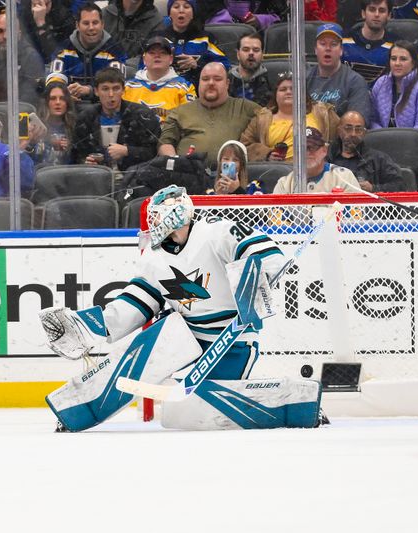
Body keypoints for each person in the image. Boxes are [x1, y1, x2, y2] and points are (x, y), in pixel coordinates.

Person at [38, 185, 324, 432]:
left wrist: (261, 274)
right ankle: (77, 408)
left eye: (157, 213)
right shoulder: (154, 257)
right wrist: (89, 327)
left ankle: (297, 401)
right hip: (184, 336)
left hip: (232, 341)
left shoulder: (216, 232)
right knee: (141, 355)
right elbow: (135, 303)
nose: (152, 220)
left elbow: (265, 253)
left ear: (175, 213)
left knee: (181, 414)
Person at [158, 62, 260, 167]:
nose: (211, 83)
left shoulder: (247, 108)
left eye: (217, 79)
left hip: (232, 176)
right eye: (205, 79)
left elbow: (273, 123)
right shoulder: (180, 112)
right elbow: (165, 142)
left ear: (227, 83)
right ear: (199, 82)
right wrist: (176, 163)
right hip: (189, 175)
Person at [71, 67, 161, 171]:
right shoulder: (85, 118)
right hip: (95, 178)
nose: (111, 94)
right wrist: (85, 162)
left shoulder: (143, 116)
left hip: (134, 177)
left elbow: (155, 152)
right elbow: (76, 153)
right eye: (105, 89)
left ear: (123, 90)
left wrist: (127, 151)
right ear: (96, 91)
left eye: (116, 88)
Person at [240, 71, 339, 162]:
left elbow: (343, 133)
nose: (288, 92)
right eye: (283, 89)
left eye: (293, 89)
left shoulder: (322, 112)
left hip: (315, 168)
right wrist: (266, 154)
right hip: (277, 171)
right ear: (275, 95)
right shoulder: (261, 118)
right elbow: (244, 147)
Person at [49, 2, 128, 102]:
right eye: (86, 23)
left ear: (102, 24)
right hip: (69, 106)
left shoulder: (115, 50)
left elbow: (116, 87)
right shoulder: (63, 49)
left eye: (95, 23)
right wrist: (64, 93)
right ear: (77, 25)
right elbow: (54, 79)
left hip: (102, 106)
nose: (91, 28)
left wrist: (89, 90)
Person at [0, 12, 45, 106]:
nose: (5, 37)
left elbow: (30, 99)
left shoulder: (31, 58)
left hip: (21, 116)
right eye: (0, 31)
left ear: (19, 35)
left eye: (10, 32)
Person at [306, 23, 372, 124]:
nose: (328, 48)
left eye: (333, 44)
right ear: (315, 49)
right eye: (323, 44)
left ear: (341, 50)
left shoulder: (355, 82)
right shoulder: (303, 79)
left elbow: (357, 125)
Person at [327, 110, 407, 192]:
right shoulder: (325, 157)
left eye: (358, 129)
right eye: (348, 128)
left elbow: (399, 185)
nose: (353, 134)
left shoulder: (378, 159)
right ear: (339, 131)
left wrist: (374, 188)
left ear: (364, 133)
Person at [157, 0, 231, 87]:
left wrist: (198, 65)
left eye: (186, 7)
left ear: (193, 14)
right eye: (176, 7)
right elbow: (143, 66)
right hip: (162, 92)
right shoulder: (158, 38)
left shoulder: (205, 39)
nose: (181, 10)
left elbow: (224, 65)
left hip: (198, 93)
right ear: (169, 13)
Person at [123, 35, 196, 122]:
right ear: (144, 59)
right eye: (152, 52)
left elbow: (191, 122)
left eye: (163, 53)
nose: (157, 56)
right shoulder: (127, 88)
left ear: (171, 59)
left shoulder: (185, 88)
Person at [273, 126, 360, 194]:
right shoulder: (284, 184)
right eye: (301, 148)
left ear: (324, 150)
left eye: (312, 147)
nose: (306, 153)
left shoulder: (344, 177)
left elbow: (356, 214)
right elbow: (277, 215)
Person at [342, 0, 398, 86]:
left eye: (382, 11)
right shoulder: (343, 41)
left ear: (389, 15)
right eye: (372, 9)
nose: (376, 14)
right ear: (363, 13)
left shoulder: (397, 47)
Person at [33, 78, 76, 166]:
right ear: (46, 102)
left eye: (62, 98)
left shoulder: (76, 126)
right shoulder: (36, 127)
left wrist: (69, 149)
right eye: (53, 98)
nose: (58, 102)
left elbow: (77, 162)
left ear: (67, 102)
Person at [228, 33, 271, 106]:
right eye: (246, 50)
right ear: (238, 54)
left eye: (256, 50)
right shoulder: (226, 80)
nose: (251, 53)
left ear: (262, 55)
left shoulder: (272, 81)